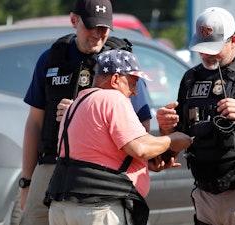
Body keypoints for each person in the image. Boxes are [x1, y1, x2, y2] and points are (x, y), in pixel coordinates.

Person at [20, 0, 152, 224]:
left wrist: (81, 116)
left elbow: (142, 126)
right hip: (53, 164)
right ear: (74, 20)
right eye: (91, 26)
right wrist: (27, 181)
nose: (98, 35)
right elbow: (34, 123)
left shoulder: (119, 62)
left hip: (100, 172)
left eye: (104, 28)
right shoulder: (52, 58)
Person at [156, 7, 235, 225]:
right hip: (205, 195)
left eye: (213, 48)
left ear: (234, 40)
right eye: (202, 48)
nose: (206, 54)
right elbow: (182, 135)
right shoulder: (191, 78)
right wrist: (167, 127)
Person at [43, 49, 193, 225]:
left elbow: (99, 155)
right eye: (132, 82)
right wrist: (173, 140)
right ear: (115, 80)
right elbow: (140, 148)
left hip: (62, 206)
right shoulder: (113, 98)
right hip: (98, 207)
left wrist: (147, 162)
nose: (135, 91)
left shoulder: (77, 103)